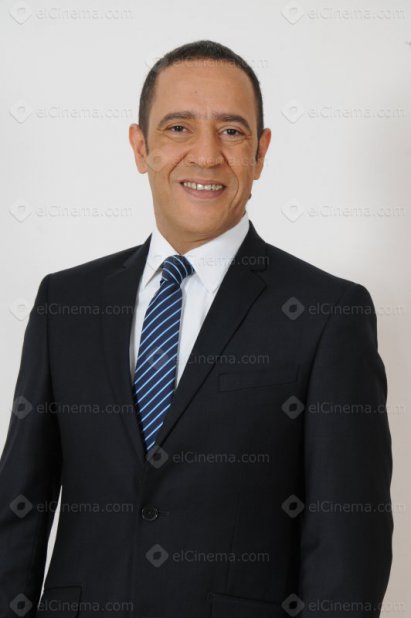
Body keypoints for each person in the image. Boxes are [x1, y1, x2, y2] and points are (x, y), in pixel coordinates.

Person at [0, 40, 392, 618]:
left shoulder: (328, 313)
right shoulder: (66, 302)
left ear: (260, 153)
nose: (206, 156)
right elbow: (19, 508)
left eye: (231, 132)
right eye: (179, 127)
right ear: (141, 147)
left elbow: (347, 546)